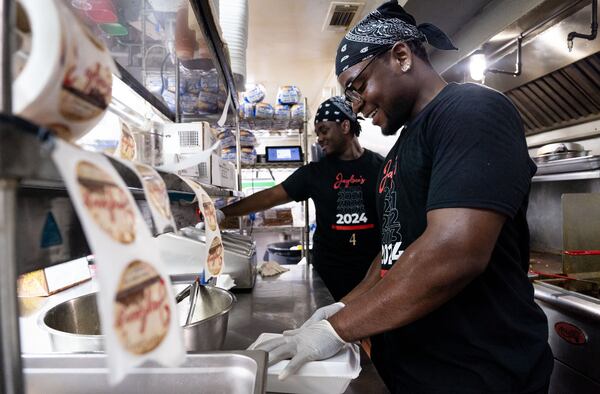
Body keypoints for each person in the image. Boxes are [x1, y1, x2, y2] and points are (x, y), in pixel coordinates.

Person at [253, 2, 554, 393]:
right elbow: (393, 251)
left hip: (480, 375)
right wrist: (345, 308)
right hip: (414, 371)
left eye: (358, 88)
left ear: (400, 55)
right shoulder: (400, 150)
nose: (358, 110)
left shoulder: (470, 111)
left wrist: (338, 329)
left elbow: (453, 251)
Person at [219, 96, 384, 301]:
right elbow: (270, 196)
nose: (320, 138)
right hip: (328, 275)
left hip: (373, 273)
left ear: (344, 126)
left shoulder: (381, 167)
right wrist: (221, 213)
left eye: (324, 130)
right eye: (317, 133)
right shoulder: (314, 173)